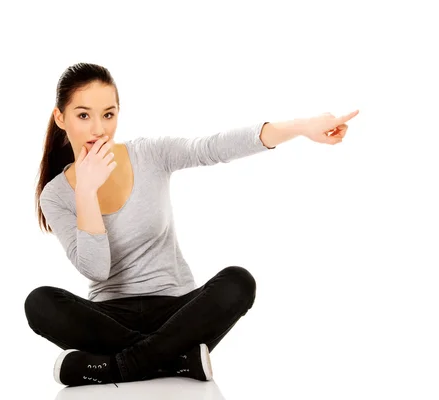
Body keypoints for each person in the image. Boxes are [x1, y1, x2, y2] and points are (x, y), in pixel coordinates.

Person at [25, 62, 357, 387]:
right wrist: (85, 191)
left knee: (238, 282)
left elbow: (213, 147)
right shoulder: (55, 196)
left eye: (108, 114)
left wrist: (300, 127)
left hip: (178, 312)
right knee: (39, 303)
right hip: (110, 318)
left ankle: (119, 366)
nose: (99, 129)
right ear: (60, 117)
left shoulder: (150, 154)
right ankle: (177, 360)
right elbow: (97, 270)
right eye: (84, 115)